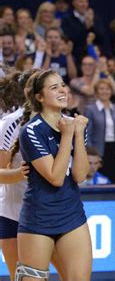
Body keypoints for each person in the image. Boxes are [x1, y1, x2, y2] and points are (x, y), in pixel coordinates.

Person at [12, 69, 92, 280]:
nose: (62, 90)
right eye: (54, 87)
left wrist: (77, 132)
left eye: (63, 85)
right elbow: (55, 177)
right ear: (39, 97)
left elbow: (80, 175)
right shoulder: (31, 130)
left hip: (72, 213)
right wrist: (67, 135)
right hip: (39, 218)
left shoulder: (76, 124)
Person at [0, 71, 31, 280]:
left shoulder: (64, 121)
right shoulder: (11, 122)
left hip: (51, 211)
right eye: (53, 86)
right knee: (21, 277)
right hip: (14, 212)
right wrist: (21, 173)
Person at [84, 78, 115, 183]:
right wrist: (91, 154)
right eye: (101, 89)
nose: (105, 91)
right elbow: (87, 133)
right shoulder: (90, 109)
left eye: (107, 89)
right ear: (96, 92)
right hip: (98, 152)